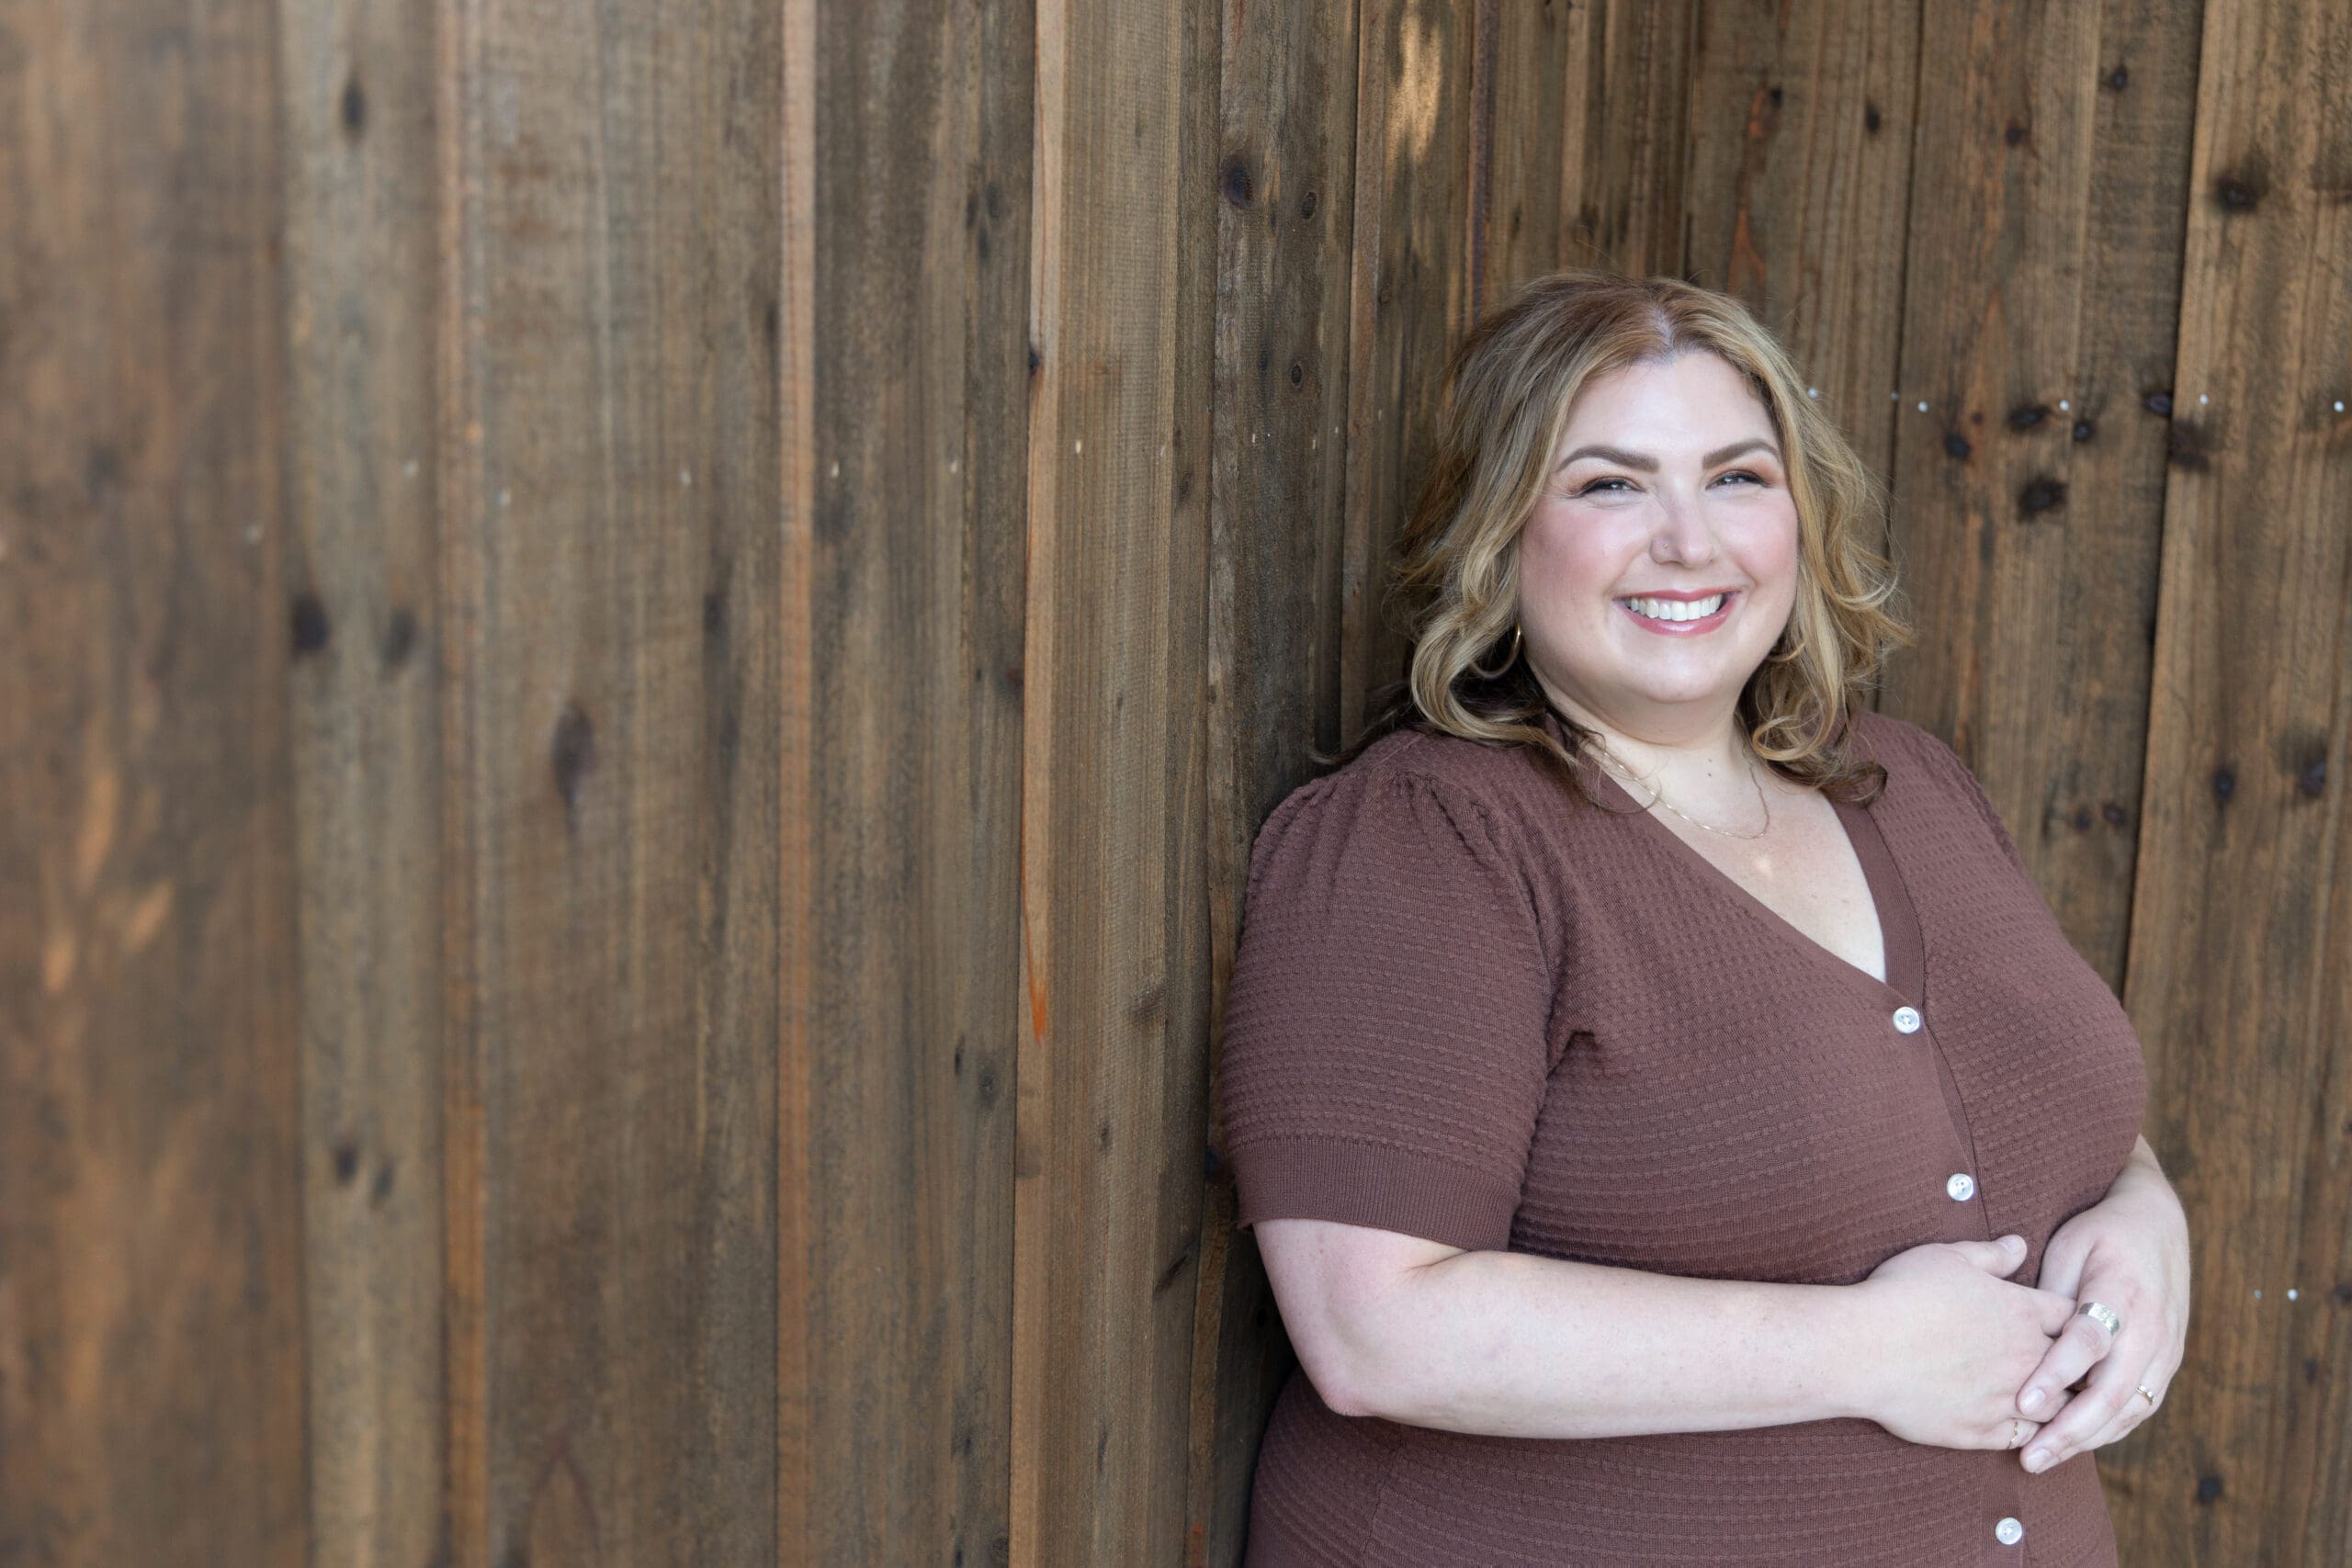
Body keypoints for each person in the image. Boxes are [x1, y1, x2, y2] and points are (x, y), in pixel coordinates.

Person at [1214, 270, 2191, 1565]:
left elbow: (2043, 1101)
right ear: (1501, 534)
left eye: (1737, 476)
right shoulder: (1435, 839)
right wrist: (1861, 1353)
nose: (1690, 539)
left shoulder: (1906, 785)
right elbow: (1375, 1331)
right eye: (1609, 484)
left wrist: (2142, 1215)